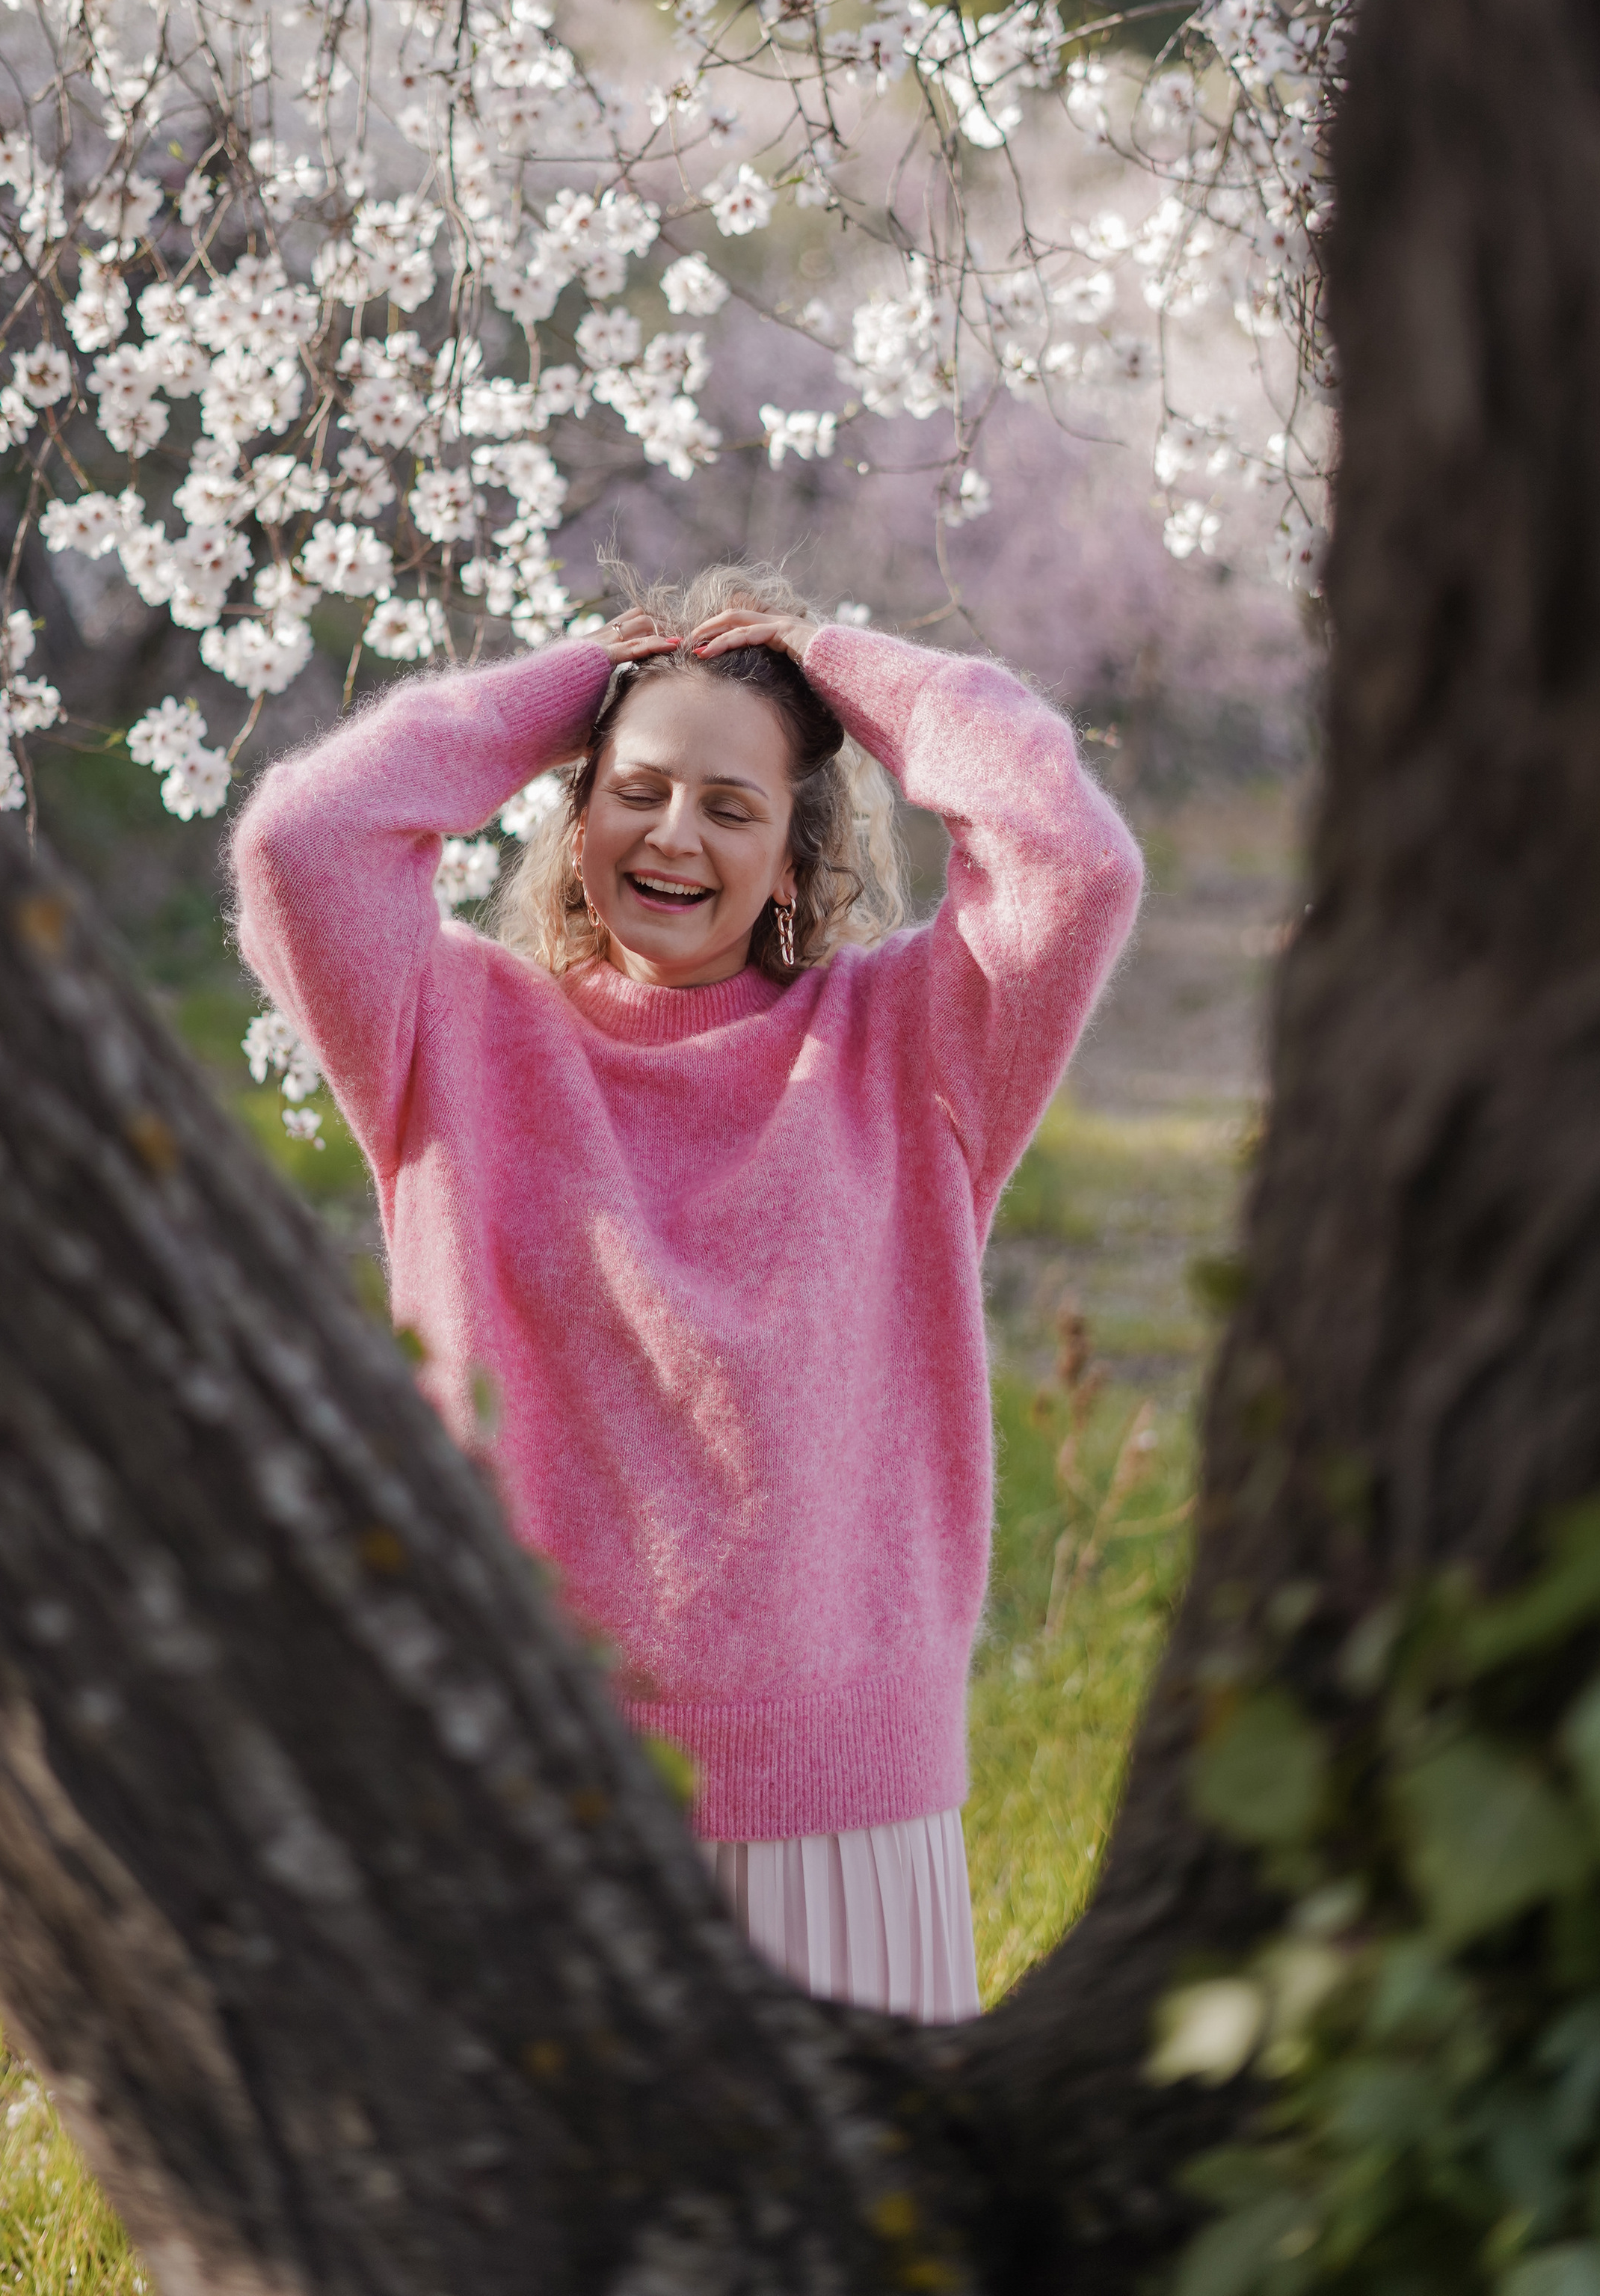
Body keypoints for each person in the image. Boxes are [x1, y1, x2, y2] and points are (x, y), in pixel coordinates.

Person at [232, 563, 1142, 2022]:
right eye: (636, 789)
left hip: (834, 1811)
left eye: (731, 805)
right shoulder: (444, 1029)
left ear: (793, 853)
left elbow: (1069, 861)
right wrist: (591, 670)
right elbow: (302, 838)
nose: (673, 835)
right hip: (525, 1788)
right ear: (572, 807)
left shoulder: (911, 1047)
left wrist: (826, 664)